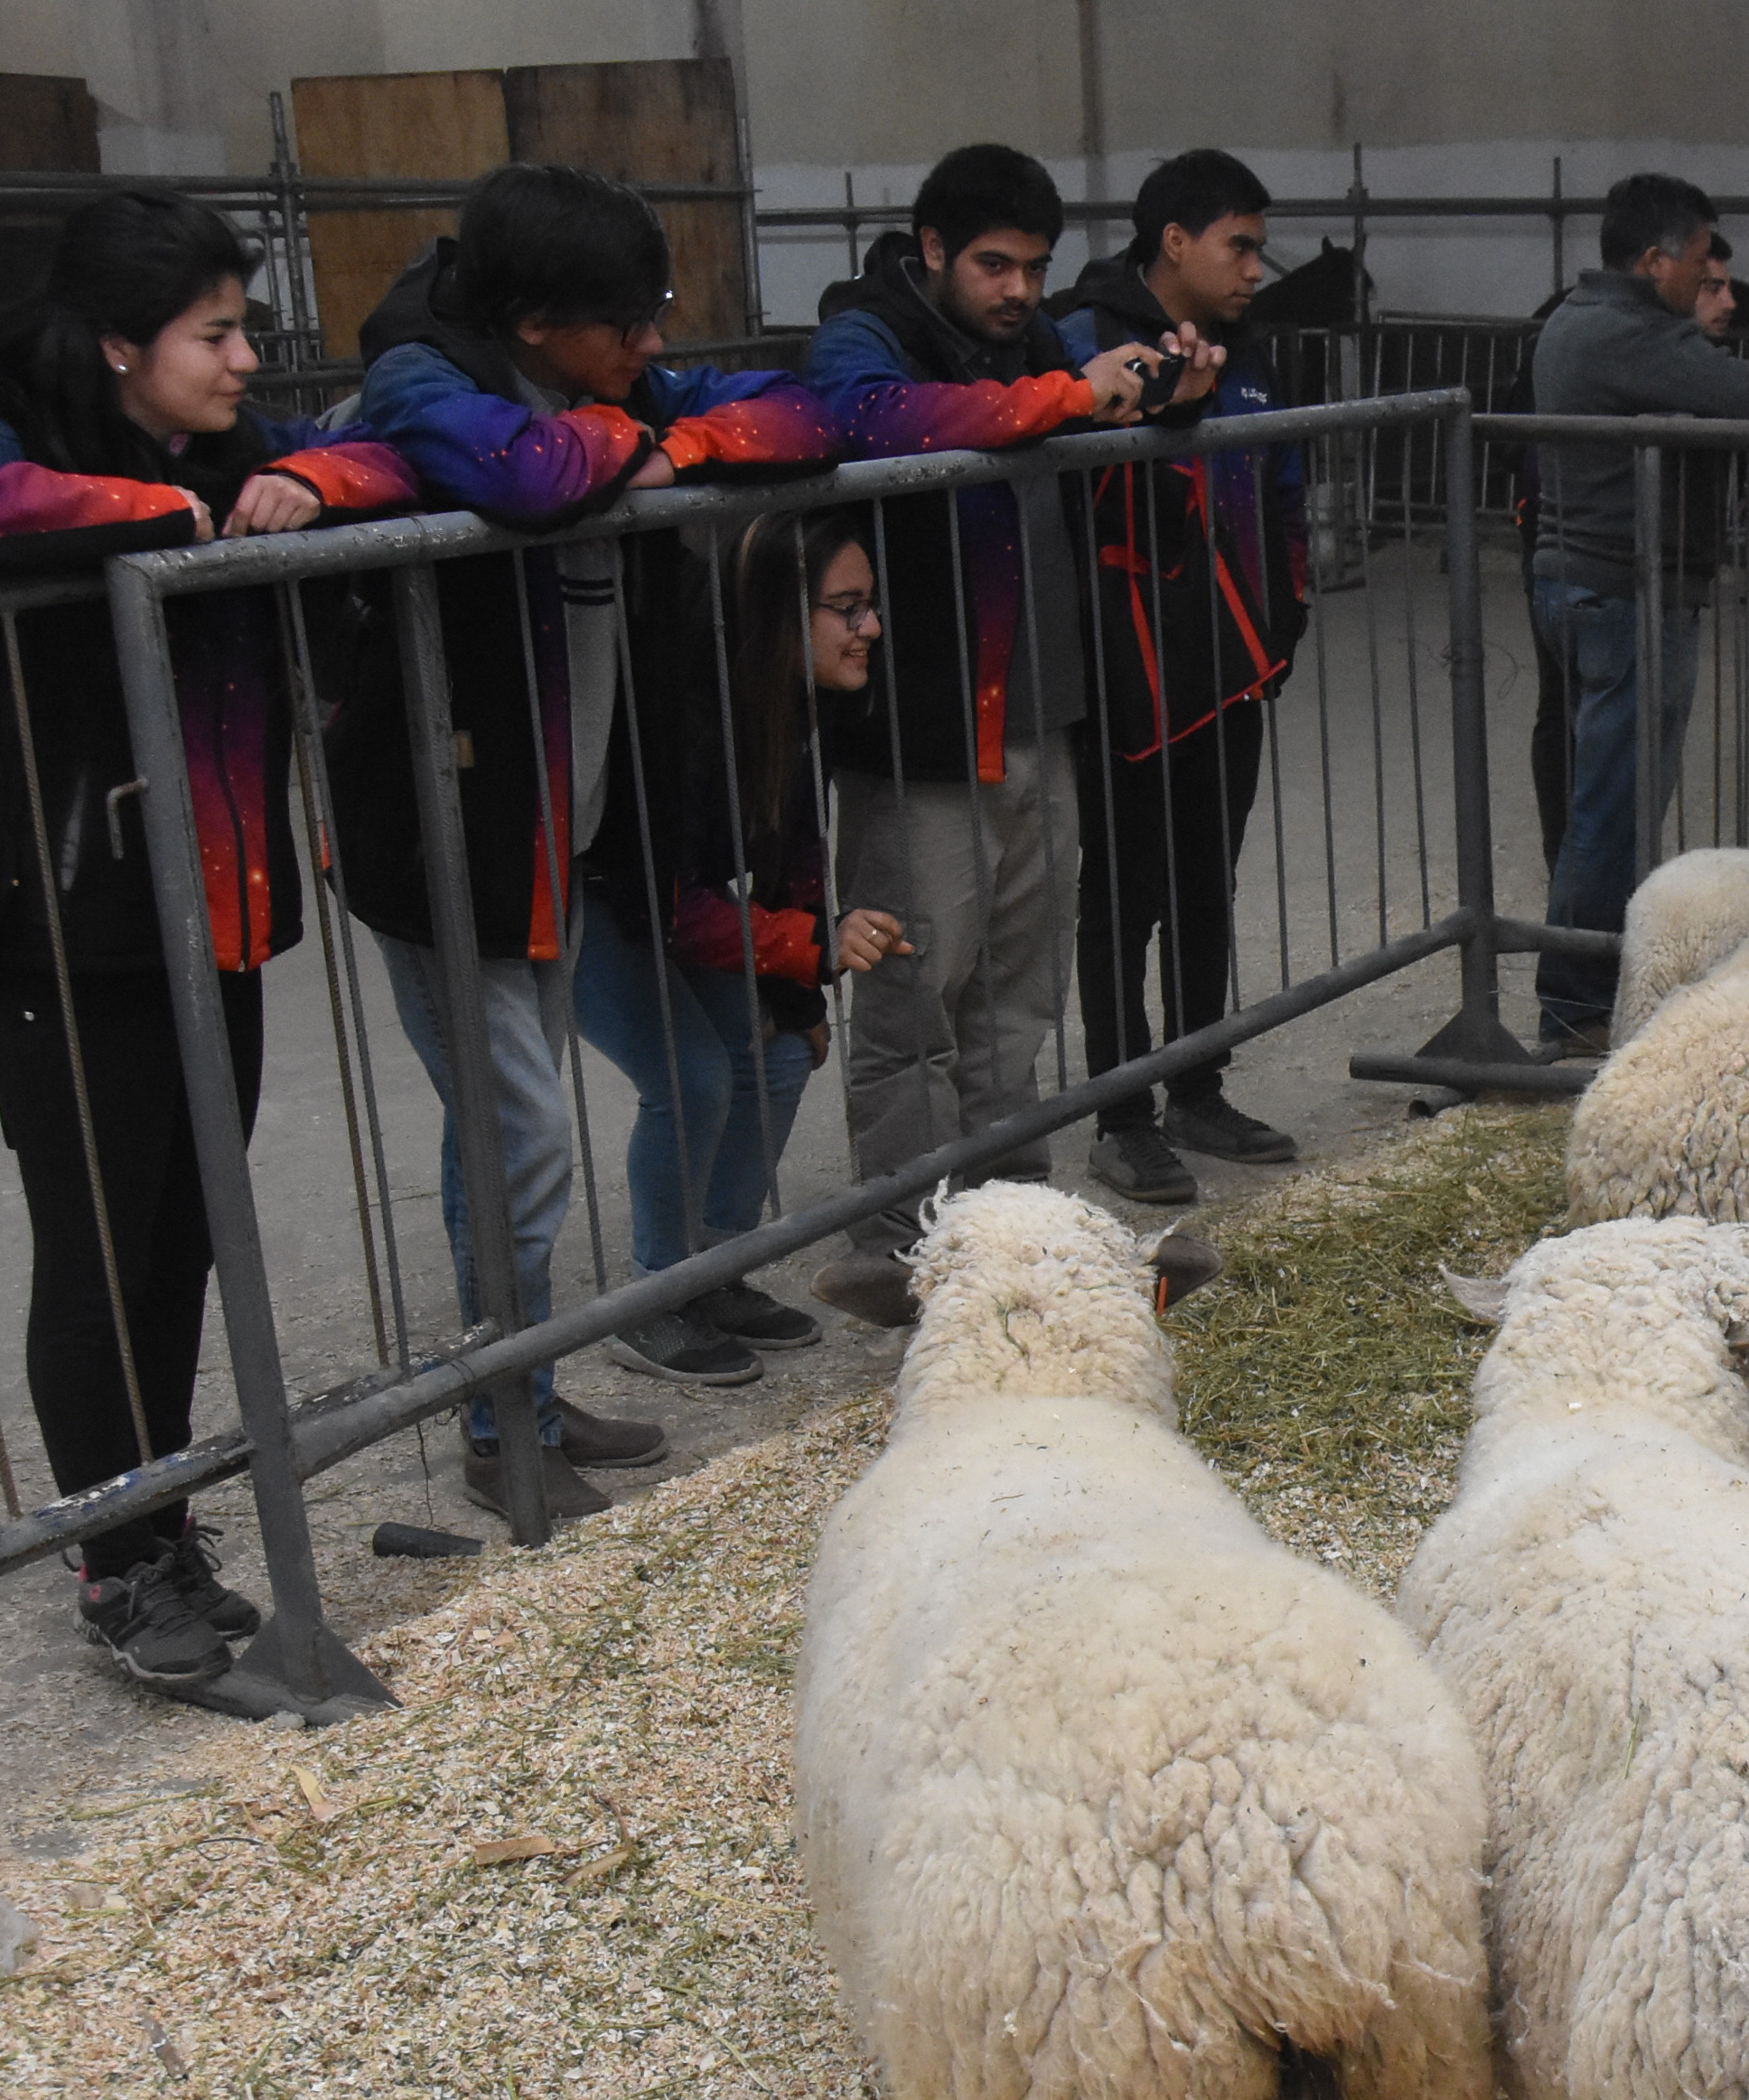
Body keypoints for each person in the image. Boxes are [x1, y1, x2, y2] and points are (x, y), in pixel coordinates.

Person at [0, 191, 415, 1689]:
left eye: (245, 331)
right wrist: (157, 515)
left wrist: (297, 475)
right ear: (115, 345)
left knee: (180, 1244)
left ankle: (155, 1520)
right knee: (99, 1259)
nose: (245, 361)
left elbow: (383, 458)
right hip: (61, 927)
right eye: (213, 335)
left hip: (212, 915)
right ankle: (117, 1558)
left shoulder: (223, 442)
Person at [326, 163, 837, 1520]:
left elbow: (802, 409)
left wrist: (685, 445)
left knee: (505, 1139)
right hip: (448, 851)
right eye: (629, 324)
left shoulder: (600, 381)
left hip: (557, 839)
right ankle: (509, 1427)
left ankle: (523, 1398)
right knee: (524, 1137)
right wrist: (644, 441)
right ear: (538, 323)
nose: (654, 347)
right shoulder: (422, 374)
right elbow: (529, 474)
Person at [800, 144, 1183, 1326]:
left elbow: (1094, 394)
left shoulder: (1034, 340)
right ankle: (907, 1247)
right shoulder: (864, 335)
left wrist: (1168, 389)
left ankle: (1009, 1217)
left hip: (1041, 721)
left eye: (1034, 267)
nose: (1019, 289)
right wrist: (1071, 396)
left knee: (1017, 998)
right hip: (922, 737)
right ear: (931, 250)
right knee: (914, 1001)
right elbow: (865, 421)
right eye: (993, 265)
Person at [567, 509, 910, 1379]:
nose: (871, 626)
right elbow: (667, 904)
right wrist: (811, 947)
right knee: (692, 1077)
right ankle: (654, 1298)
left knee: (784, 1054)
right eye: (847, 607)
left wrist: (798, 988)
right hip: (593, 898)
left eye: (870, 603)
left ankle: (714, 1267)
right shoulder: (688, 707)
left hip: (677, 895)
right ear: (776, 613)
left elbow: (794, 848)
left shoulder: (795, 697)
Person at [1527, 173, 1749, 1052]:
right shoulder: (1631, 332)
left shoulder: (1579, 319)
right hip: (1628, 589)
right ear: (1655, 259)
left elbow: (1715, 390)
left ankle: (1588, 988)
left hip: (1583, 581)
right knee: (1613, 811)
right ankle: (1574, 1007)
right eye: (1702, 259)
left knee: (1601, 801)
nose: (1712, 276)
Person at [1051, 147, 1314, 1207]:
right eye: (1237, 246)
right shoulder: (1084, 339)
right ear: (1172, 241)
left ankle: (1199, 1086)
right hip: (1126, 671)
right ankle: (1123, 1117)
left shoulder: (1249, 354)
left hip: (1232, 663)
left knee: (1208, 880)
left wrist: (1285, 610)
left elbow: (1284, 485)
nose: (1254, 268)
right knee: (1125, 891)